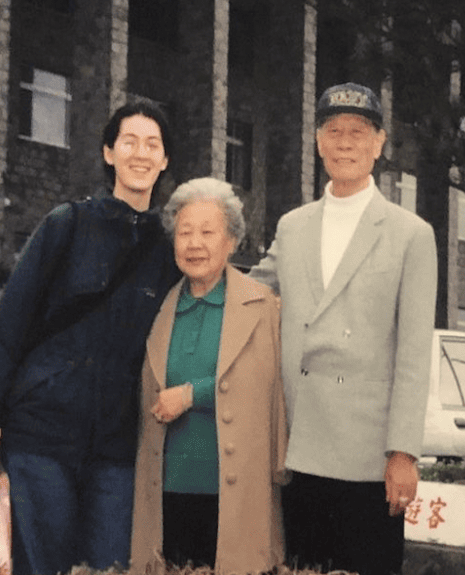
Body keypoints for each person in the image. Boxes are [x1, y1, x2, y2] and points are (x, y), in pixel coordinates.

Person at [0, 101, 181, 575]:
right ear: (108, 152)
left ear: (164, 160)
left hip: (118, 443)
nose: (140, 154)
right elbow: (12, 318)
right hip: (41, 430)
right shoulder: (68, 224)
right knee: (42, 565)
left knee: (111, 564)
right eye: (129, 142)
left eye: (153, 145)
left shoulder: (168, 248)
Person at [249, 82, 438, 575]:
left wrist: (404, 454)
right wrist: (194, 267)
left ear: (379, 144)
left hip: (368, 455)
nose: (346, 142)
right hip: (299, 442)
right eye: (335, 131)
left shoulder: (411, 235)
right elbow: (251, 296)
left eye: (359, 132)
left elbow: (415, 355)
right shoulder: (293, 225)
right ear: (318, 141)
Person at [129, 177, 287, 575]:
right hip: (165, 494)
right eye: (185, 232)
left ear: (232, 241)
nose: (194, 243)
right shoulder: (157, 306)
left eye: (207, 232)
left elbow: (268, 388)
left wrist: (192, 394)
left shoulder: (263, 306)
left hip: (236, 497)